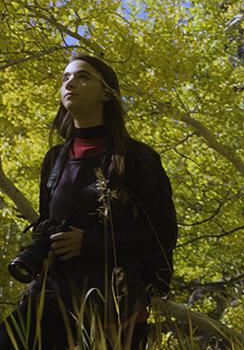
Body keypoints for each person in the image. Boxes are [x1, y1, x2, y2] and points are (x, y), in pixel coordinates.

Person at [0, 54, 178, 349]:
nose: (71, 83)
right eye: (65, 78)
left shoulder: (137, 159)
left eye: (83, 77)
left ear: (107, 93)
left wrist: (90, 243)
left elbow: (164, 235)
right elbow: (48, 221)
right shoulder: (55, 159)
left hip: (114, 307)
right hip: (51, 297)